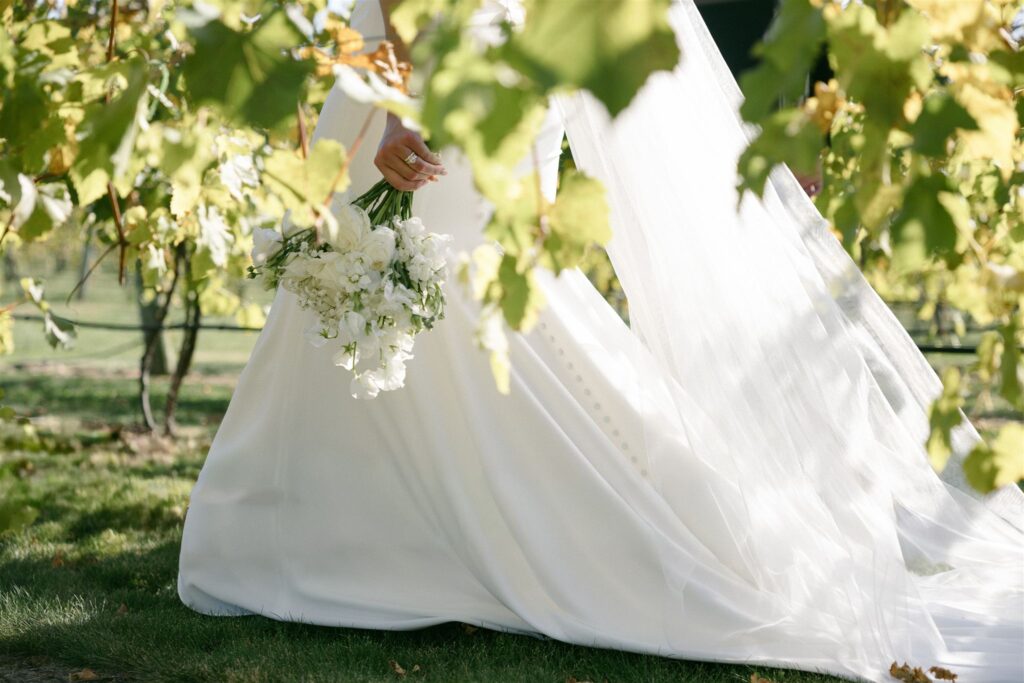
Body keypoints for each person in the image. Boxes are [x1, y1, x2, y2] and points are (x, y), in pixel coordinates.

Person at [177, 1, 1024, 681]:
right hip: (403, 75)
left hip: (447, 84)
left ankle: (441, 549)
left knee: (461, 293)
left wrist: (406, 109)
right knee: (369, 290)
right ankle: (324, 541)